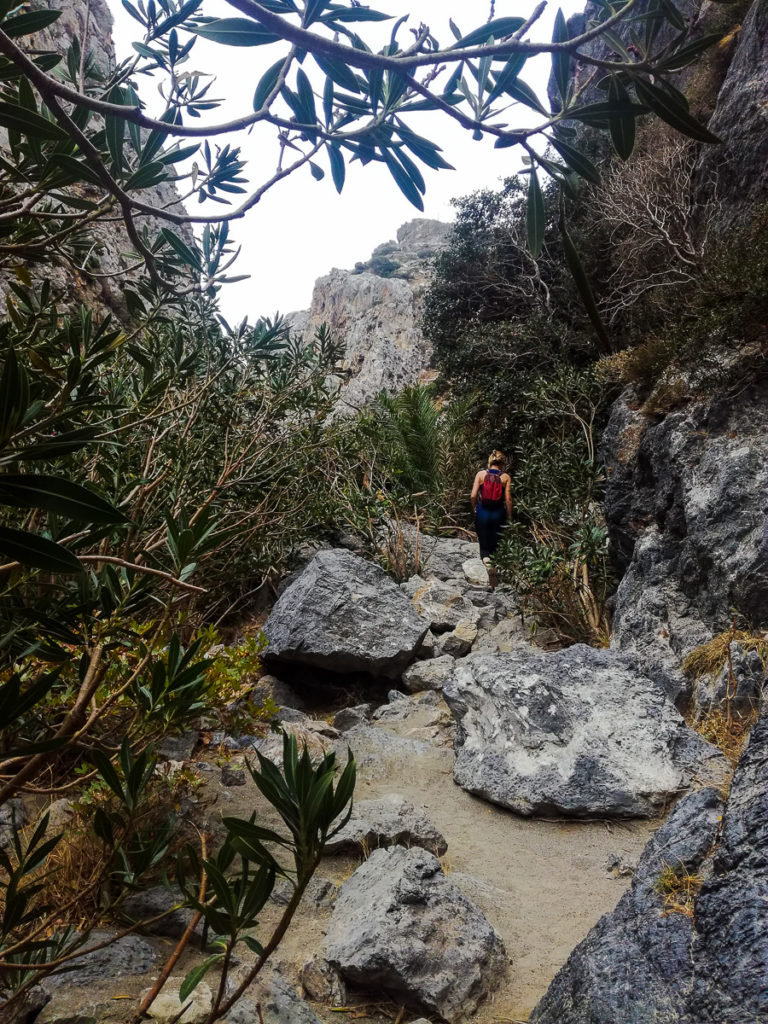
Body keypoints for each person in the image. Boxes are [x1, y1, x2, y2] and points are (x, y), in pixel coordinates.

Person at [471, 450, 513, 589]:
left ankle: (489, 567)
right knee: (495, 546)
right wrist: (509, 517)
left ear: (490, 461)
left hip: (483, 513)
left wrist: (475, 508)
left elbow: (473, 495)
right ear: (502, 463)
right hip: (498, 514)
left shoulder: (481, 474)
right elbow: (508, 500)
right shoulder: (506, 477)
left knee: (484, 547)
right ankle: (492, 583)